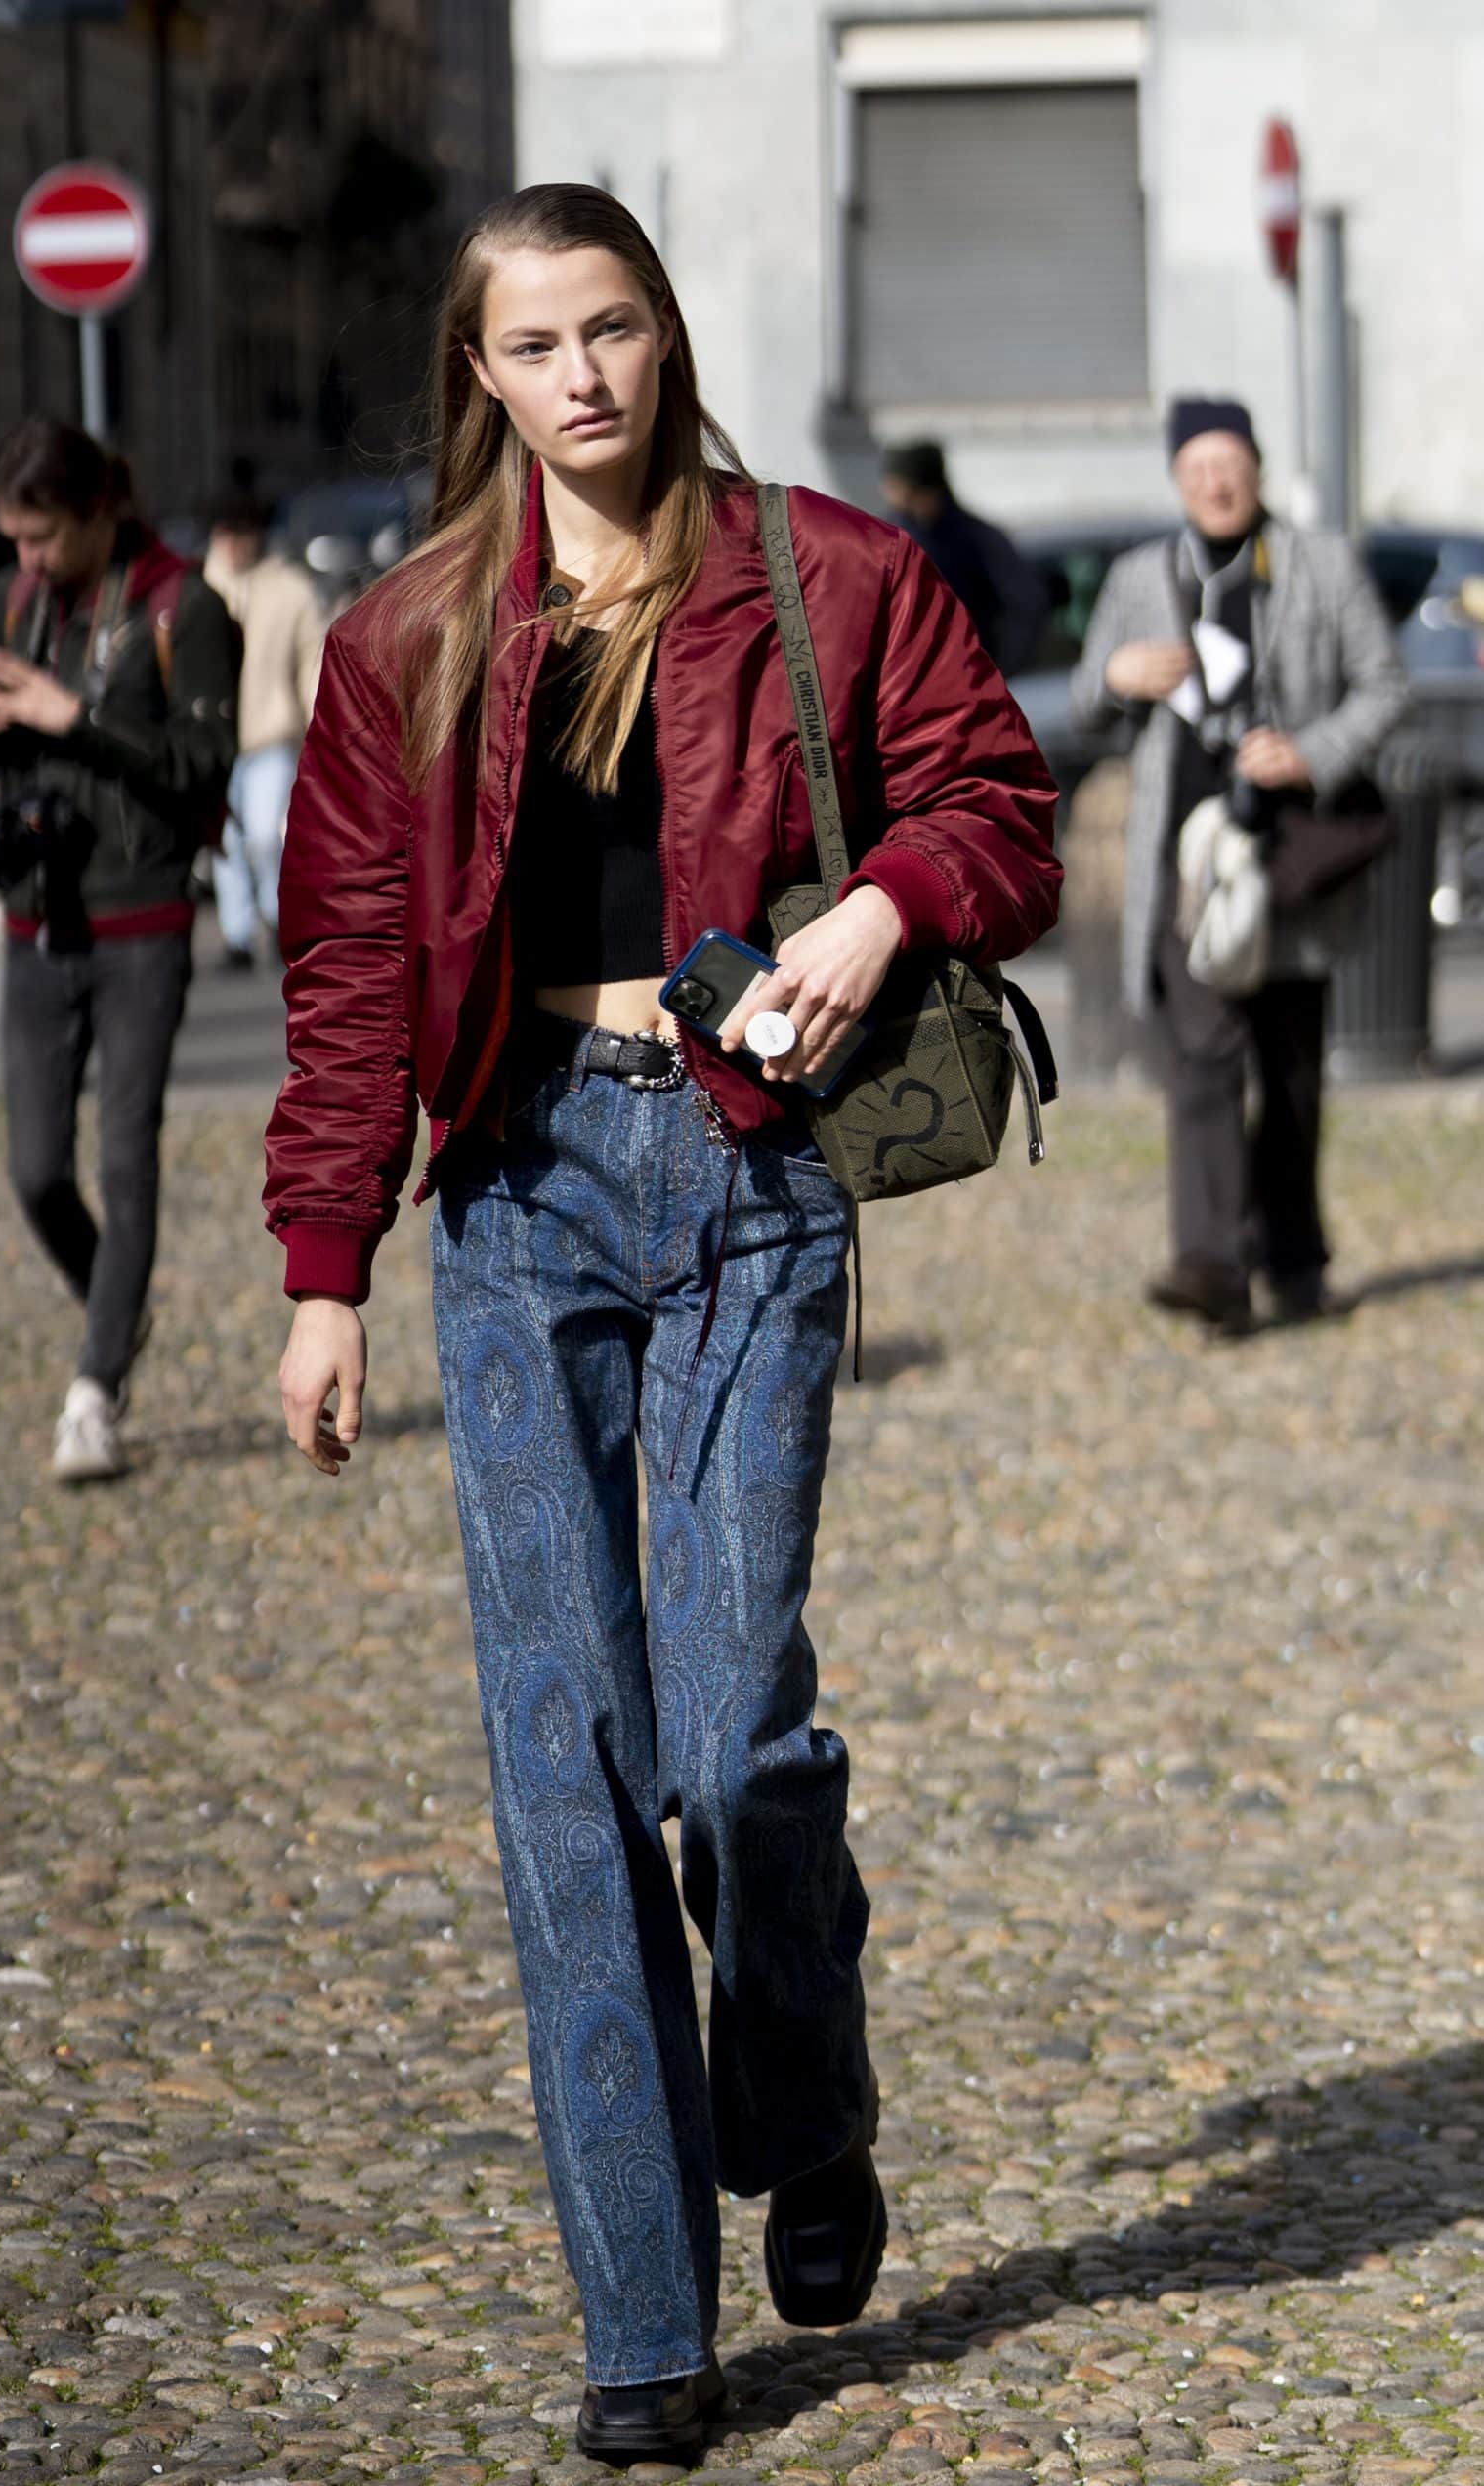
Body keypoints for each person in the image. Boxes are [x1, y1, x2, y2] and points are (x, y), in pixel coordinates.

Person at [264, 185, 1059, 2464]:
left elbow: (999, 806)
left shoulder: (828, 573)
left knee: (725, 1739)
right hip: (514, 1194)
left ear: (663, 331)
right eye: (534, 345)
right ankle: (642, 2324)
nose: (581, 376)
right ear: (480, 377)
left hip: (749, 1178)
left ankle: (802, 2086)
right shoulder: (406, 636)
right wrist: (322, 1270)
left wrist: (883, 904)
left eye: (610, 327)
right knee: (565, 1762)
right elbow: (345, 964)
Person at [1071, 396, 1409, 1334]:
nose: (1215, 484)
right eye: (1197, 470)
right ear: (1176, 479)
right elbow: (1084, 702)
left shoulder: (1320, 565)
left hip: (1288, 860)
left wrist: (1308, 752)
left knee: (1289, 1074)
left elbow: (1385, 687)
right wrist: (1115, 677)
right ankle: (1211, 1265)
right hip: (1183, 869)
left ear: (1257, 471)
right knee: (1201, 1060)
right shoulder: (1140, 576)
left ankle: (1293, 1262)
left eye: (1230, 466)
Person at [0, 417, 238, 1479]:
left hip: (140, 919)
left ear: (97, 511)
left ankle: (95, 1390)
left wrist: (72, 716)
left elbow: (204, 761)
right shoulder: (16, 598)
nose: (27, 560)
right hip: (37, 914)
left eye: (42, 538)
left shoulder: (181, 605)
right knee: (34, 1171)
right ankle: (117, 1304)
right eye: (13, 541)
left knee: (124, 1159)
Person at [202, 493, 327, 969]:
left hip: (270, 734)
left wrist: (319, 723)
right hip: (216, 738)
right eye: (225, 535)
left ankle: (276, 918)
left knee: (264, 835)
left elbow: (312, 659)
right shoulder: (201, 586)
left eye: (241, 534)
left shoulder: (290, 589)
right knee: (225, 842)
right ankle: (236, 934)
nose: (233, 545)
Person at [879, 438, 1047, 677]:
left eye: (893, 483)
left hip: (965, 677)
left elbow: (1028, 604)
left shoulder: (978, 539)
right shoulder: (887, 537)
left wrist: (996, 670)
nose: (885, 491)